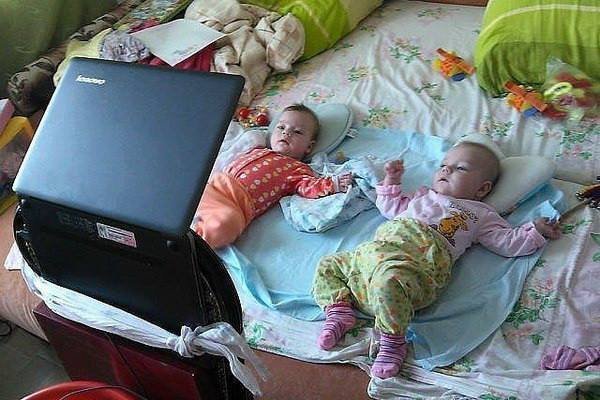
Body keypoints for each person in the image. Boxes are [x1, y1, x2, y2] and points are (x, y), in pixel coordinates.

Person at [311, 141, 560, 379]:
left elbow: (506, 241)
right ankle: (338, 311)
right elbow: (389, 207)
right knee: (329, 264)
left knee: (390, 279)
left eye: (460, 168)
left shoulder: (480, 214)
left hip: (414, 270)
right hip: (371, 259)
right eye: (443, 165)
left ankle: (392, 341)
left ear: (482, 189)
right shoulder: (422, 195)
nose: (446, 170)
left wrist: (535, 231)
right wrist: (391, 181)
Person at [193, 104, 352, 248]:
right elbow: (230, 151)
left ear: (309, 147)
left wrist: (333, 184)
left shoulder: (297, 168)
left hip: (234, 206)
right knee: (188, 188)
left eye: (297, 132)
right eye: (281, 127)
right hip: (212, 188)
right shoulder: (258, 148)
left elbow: (309, 188)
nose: (286, 132)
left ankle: (192, 242)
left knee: (227, 223)